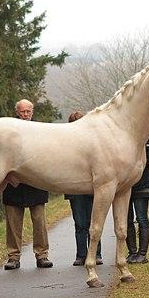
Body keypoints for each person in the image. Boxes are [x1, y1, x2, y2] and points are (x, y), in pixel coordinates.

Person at [2, 99, 53, 270]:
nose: (25, 115)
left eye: (28, 111)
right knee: (13, 223)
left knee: (39, 221)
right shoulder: (8, 131)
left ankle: (42, 255)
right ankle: (13, 256)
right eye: (22, 112)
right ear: (17, 112)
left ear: (32, 112)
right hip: (13, 183)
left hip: (36, 182)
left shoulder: (41, 130)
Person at [64, 111, 103, 266]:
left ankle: (96, 254)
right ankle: (81, 255)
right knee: (80, 223)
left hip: (93, 187)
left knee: (95, 221)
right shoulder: (65, 142)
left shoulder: (94, 141)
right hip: (75, 188)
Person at [126, 135, 149, 264]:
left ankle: (142, 254)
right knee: (127, 220)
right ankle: (132, 252)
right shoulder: (124, 135)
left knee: (142, 218)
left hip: (142, 185)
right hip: (125, 186)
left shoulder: (146, 136)